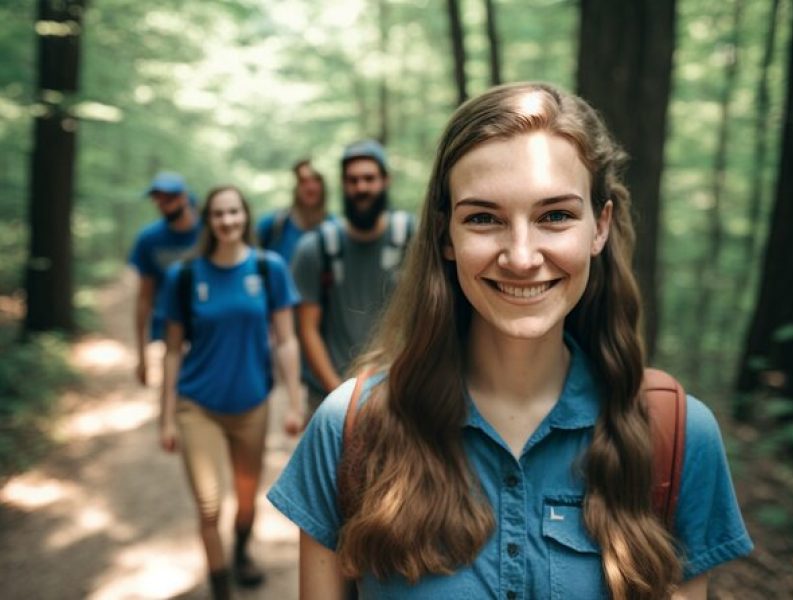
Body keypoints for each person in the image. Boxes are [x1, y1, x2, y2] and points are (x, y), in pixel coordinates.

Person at [267, 83, 753, 599]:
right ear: (445, 237)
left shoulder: (676, 436)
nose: (521, 256)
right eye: (483, 218)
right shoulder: (351, 431)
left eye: (555, 216)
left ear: (600, 226)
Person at [159, 185, 304, 599]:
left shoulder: (267, 268)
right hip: (196, 406)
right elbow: (171, 352)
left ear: (245, 215)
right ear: (208, 220)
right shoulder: (184, 276)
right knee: (209, 505)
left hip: (251, 405)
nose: (227, 221)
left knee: (245, 500)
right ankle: (221, 585)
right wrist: (166, 417)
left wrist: (294, 403)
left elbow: (286, 341)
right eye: (219, 214)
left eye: (234, 212)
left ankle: (241, 552)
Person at [291, 140, 415, 412]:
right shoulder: (316, 248)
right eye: (353, 180)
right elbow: (307, 329)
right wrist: (339, 395)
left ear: (385, 181)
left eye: (369, 179)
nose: (361, 188)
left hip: (400, 393)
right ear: (343, 185)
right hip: (329, 396)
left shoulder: (412, 239)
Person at [128, 171, 201, 386]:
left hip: (209, 321)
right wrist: (142, 356)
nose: (163, 204)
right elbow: (144, 298)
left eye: (169, 197)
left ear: (184, 197)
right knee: (175, 387)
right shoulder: (149, 240)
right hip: (170, 326)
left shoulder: (209, 232)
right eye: (157, 198)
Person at [256, 159, 330, 264]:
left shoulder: (334, 229)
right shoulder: (274, 225)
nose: (310, 187)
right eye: (303, 181)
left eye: (316, 180)